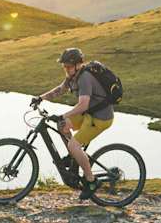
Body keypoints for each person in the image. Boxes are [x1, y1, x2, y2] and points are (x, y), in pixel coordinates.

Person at [33, 47, 115, 201]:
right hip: (89, 114)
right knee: (62, 125)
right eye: (64, 66)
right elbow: (60, 90)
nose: (65, 68)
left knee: (73, 145)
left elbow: (83, 105)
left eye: (68, 66)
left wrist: (62, 115)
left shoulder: (85, 78)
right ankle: (74, 158)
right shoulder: (73, 76)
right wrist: (40, 98)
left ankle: (91, 181)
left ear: (78, 65)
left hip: (100, 118)